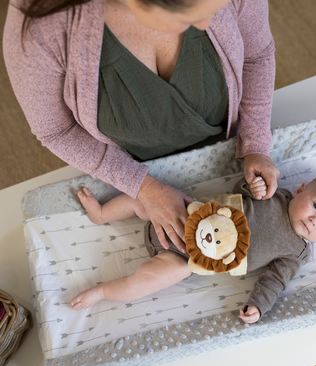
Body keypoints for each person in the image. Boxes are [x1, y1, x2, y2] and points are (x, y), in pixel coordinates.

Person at [3, 0, 280, 255]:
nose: (210, 24)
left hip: (226, 144)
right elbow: (56, 130)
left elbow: (257, 55)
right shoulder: (41, 27)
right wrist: (144, 187)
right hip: (124, 166)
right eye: (191, 15)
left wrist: (255, 141)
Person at [70, 174, 316, 324]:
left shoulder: (296, 251)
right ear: (301, 189)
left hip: (185, 257)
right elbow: (236, 191)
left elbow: (275, 281)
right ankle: (102, 214)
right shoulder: (272, 195)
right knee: (144, 201)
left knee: (155, 278)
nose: (314, 220)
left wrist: (259, 306)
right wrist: (251, 185)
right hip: (187, 216)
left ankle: (103, 292)